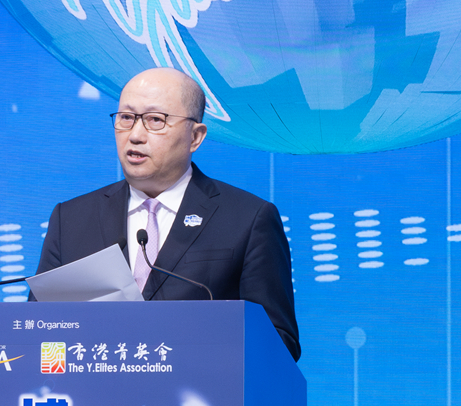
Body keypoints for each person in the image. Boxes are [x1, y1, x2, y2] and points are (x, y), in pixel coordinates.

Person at [35, 68, 300, 361]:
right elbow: (36, 331)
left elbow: (279, 342)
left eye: (155, 120)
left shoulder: (248, 219)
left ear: (195, 137)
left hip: (199, 389)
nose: (135, 135)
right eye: (126, 118)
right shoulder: (71, 219)